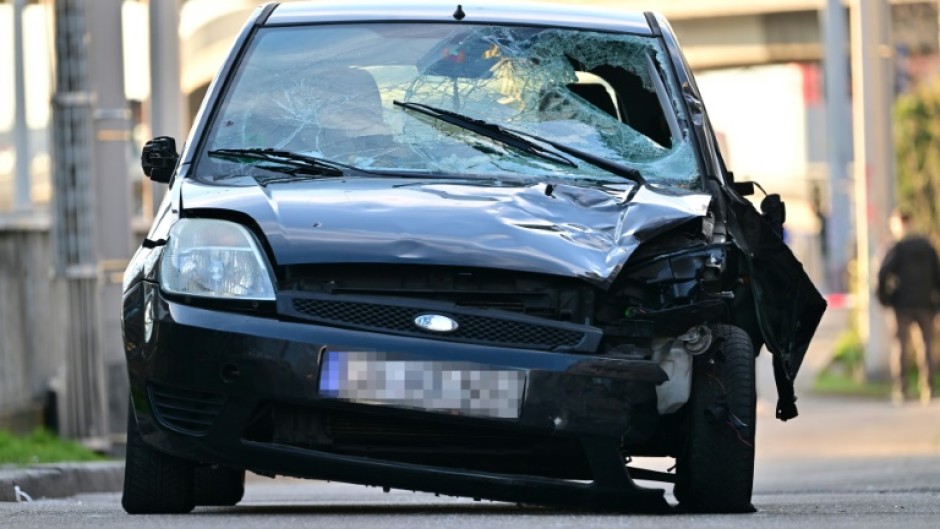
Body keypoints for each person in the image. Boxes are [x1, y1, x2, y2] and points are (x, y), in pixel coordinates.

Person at [876, 210, 940, 405]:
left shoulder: (896, 247)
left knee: (900, 347)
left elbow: (882, 274)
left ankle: (902, 389)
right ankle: (928, 388)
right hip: (926, 304)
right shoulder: (927, 246)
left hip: (901, 305)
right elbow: (938, 276)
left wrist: (885, 299)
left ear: (898, 224)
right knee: (927, 346)